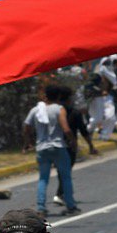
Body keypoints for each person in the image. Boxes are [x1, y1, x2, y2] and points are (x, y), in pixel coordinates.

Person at [24, 84, 78, 217]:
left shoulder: (36, 110)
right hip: (58, 146)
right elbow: (66, 129)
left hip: (42, 147)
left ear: (45, 96)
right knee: (65, 177)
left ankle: (41, 207)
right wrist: (73, 142)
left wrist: (28, 142)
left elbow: (26, 126)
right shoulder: (59, 109)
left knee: (43, 178)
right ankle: (70, 205)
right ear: (58, 96)